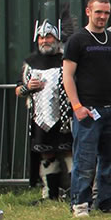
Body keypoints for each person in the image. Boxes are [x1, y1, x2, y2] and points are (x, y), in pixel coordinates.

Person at [62, 0, 111, 217]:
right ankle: (80, 203)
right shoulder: (77, 40)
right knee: (84, 158)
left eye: (106, 13)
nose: (102, 17)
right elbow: (68, 76)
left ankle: (107, 201)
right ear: (88, 12)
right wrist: (77, 106)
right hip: (87, 110)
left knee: (110, 157)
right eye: (98, 12)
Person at [15, 20, 73, 201]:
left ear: (56, 38)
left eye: (48, 36)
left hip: (66, 116)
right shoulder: (30, 62)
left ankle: (75, 192)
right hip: (40, 117)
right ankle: (50, 193)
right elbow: (18, 90)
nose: (44, 40)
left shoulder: (67, 59)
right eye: (41, 37)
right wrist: (28, 87)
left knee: (70, 152)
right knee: (47, 153)